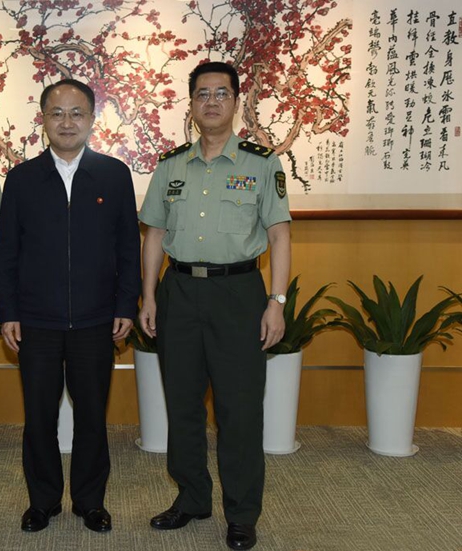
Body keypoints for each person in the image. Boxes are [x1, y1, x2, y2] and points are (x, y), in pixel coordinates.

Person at [138, 61, 291, 551]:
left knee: (239, 409)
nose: (211, 102)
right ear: (191, 103)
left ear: (237, 102)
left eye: (221, 93)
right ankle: (191, 498)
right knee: (182, 404)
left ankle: (242, 513)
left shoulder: (261, 163)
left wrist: (277, 302)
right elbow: (154, 234)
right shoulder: (170, 166)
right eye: (202, 93)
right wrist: (148, 295)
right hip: (179, 292)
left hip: (238, 294)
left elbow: (279, 235)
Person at [0, 79, 141, 533]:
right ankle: (42, 502)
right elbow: (7, 252)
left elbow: (127, 248)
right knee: (39, 416)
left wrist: (126, 304)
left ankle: (90, 501)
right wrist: (9, 311)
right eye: (57, 113)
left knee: (92, 415)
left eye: (77, 113)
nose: (67, 122)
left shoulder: (114, 174)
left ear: (92, 119)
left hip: (96, 320)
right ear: (43, 120)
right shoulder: (22, 179)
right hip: (36, 321)